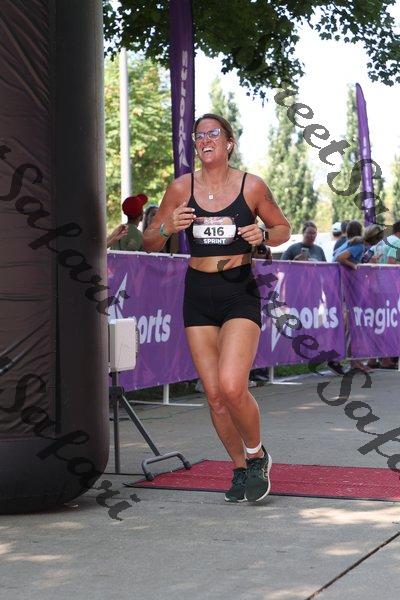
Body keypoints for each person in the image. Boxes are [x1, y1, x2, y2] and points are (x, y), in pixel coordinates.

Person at [143, 113, 291, 503]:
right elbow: (149, 242)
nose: (205, 140)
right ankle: (240, 468)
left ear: (229, 143)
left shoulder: (251, 185)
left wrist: (263, 233)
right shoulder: (180, 188)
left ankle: (257, 455)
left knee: (231, 385)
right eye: (199, 135)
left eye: (213, 134)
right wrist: (167, 228)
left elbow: (283, 229)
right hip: (198, 290)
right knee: (213, 394)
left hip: (238, 289)